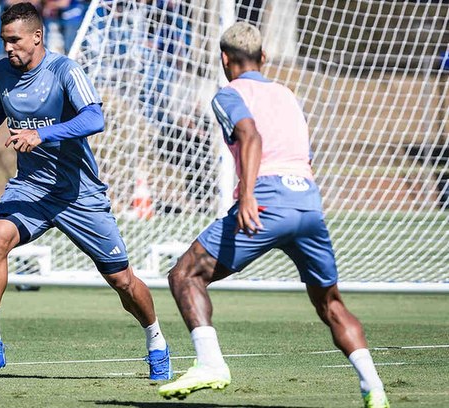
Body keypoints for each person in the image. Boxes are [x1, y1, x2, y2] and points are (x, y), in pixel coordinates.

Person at [158, 22, 390, 408]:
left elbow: (250, 135)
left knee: (184, 274)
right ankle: (374, 387)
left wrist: (247, 195)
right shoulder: (286, 93)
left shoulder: (228, 93)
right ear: (263, 58)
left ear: (223, 59)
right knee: (330, 303)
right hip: (308, 202)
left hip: (266, 201)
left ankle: (210, 364)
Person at [0, 2, 172, 380]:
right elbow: (4, 98)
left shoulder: (65, 71)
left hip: (79, 194)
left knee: (122, 280)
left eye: (15, 40)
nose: (8, 48)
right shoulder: (2, 71)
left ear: (37, 37)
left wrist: (41, 134)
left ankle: (156, 340)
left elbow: (95, 117)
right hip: (31, 188)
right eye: (4, 41)